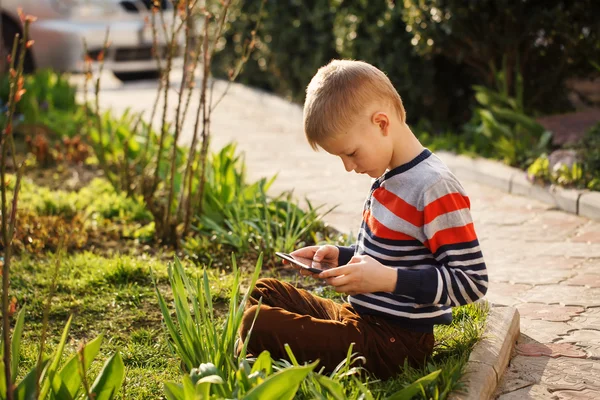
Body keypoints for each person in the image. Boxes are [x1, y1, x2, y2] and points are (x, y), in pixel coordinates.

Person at [237, 59, 488, 379]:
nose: (348, 166)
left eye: (351, 153)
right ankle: (259, 354)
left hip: (396, 342)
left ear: (381, 123)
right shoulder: (389, 179)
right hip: (358, 318)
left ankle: (254, 360)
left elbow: (471, 281)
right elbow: (391, 254)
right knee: (265, 291)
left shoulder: (434, 186)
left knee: (255, 322)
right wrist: (341, 256)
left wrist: (387, 280)